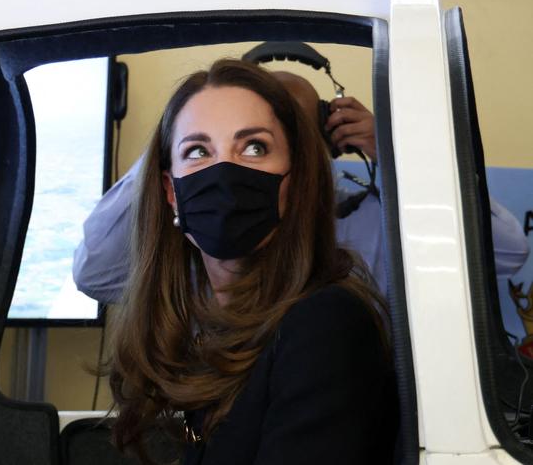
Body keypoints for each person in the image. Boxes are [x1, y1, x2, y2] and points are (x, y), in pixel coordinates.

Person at [108, 59, 398, 464]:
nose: (225, 172)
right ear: (171, 193)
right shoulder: (215, 331)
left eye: (254, 147)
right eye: (197, 150)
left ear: (295, 180)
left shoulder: (324, 324)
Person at [72, 72, 529, 303]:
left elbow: (506, 253)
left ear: (325, 137)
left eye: (260, 140)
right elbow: (96, 274)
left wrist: (397, 151)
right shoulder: (207, 218)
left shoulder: (374, 214)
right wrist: (180, 135)